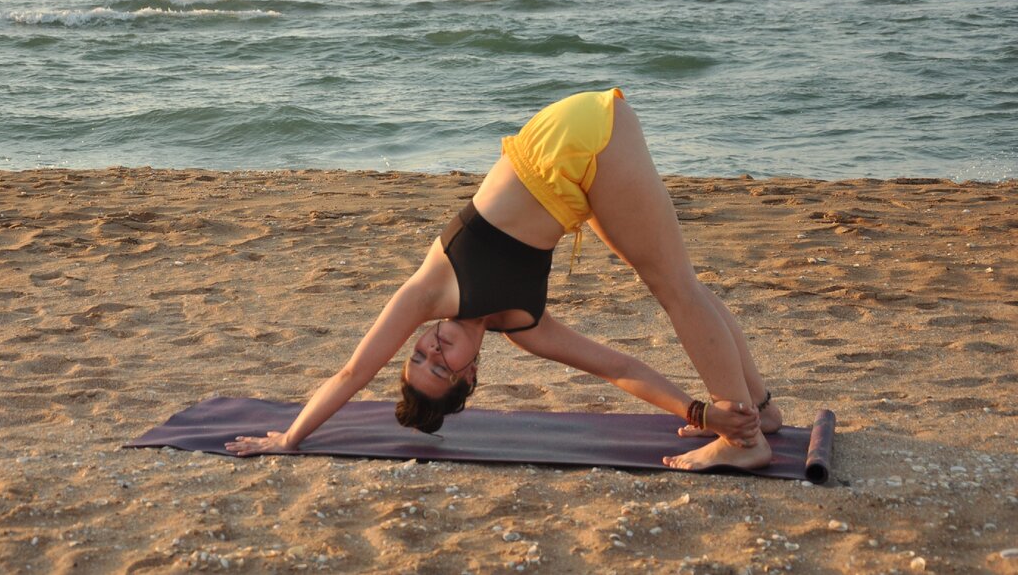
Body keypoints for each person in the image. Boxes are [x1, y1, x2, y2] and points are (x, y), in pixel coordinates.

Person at [226, 88, 781, 470]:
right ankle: (758, 409)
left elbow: (351, 372)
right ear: (470, 376)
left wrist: (290, 438)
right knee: (679, 284)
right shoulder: (526, 326)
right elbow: (620, 368)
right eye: (441, 368)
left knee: (675, 287)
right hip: (577, 174)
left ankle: (743, 440)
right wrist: (695, 412)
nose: (432, 349)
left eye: (417, 357)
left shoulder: (429, 291)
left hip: (569, 147)